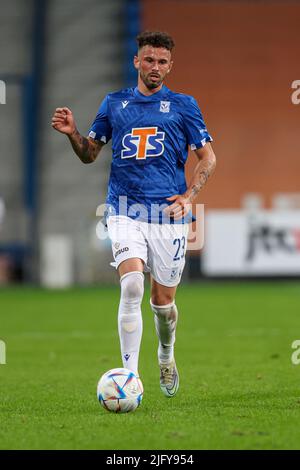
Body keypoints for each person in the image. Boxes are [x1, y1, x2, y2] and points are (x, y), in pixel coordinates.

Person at [52, 31, 216, 398]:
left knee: (163, 304)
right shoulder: (113, 104)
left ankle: (166, 353)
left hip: (169, 216)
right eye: (148, 60)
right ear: (136, 62)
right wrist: (73, 133)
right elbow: (90, 153)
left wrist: (190, 196)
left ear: (170, 66)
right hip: (124, 209)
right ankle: (130, 379)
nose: (154, 66)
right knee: (131, 285)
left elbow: (207, 158)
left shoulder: (184, 105)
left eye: (161, 61)